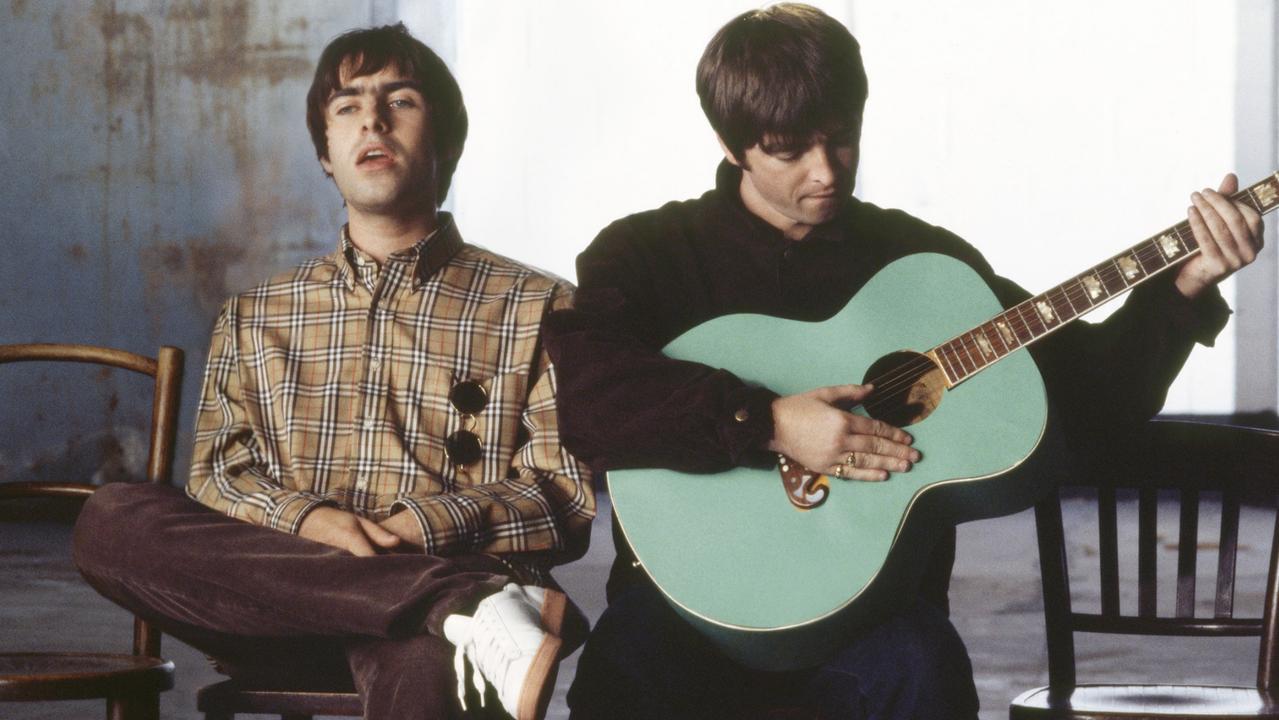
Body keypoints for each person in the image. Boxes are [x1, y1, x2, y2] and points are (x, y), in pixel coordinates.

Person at [545, 5, 1263, 719]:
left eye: (841, 141)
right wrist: (766, 421)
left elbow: (1089, 400)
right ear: (732, 145)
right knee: (623, 673)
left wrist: (1182, 288)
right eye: (788, 150)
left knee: (925, 668)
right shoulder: (645, 254)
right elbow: (590, 396)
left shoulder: (923, 267)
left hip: (875, 618)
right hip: (685, 609)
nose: (825, 172)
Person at [72, 23, 594, 720]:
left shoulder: (540, 305)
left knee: (434, 657)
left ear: (447, 139)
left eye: (400, 100)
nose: (371, 120)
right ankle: (454, 603)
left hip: (430, 626)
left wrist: (411, 530)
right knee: (112, 518)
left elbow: (560, 495)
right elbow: (220, 474)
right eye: (347, 107)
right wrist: (317, 523)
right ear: (324, 152)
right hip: (278, 605)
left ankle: (447, 606)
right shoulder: (256, 313)